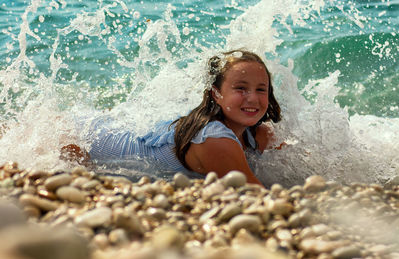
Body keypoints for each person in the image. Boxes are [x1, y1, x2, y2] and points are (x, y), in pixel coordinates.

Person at [61, 49, 282, 186]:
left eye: (261, 89)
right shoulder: (216, 141)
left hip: (112, 128)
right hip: (82, 138)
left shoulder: (256, 134)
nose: (253, 98)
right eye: (241, 88)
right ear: (216, 93)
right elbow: (258, 197)